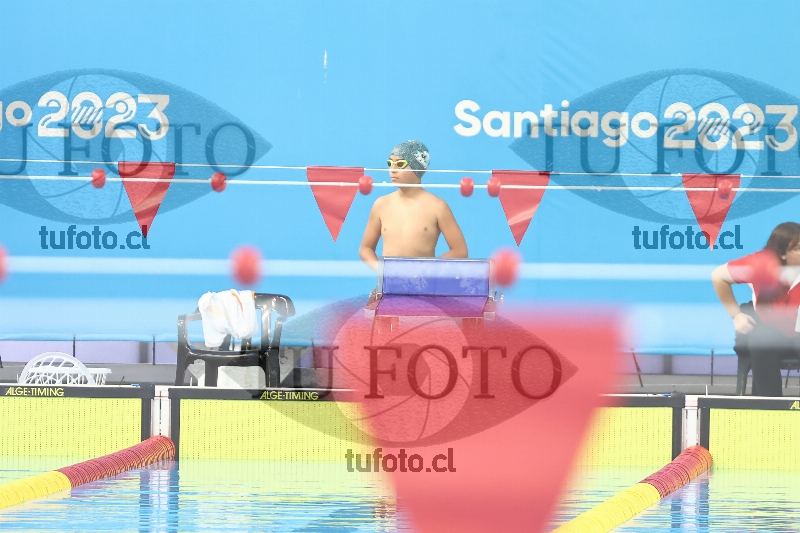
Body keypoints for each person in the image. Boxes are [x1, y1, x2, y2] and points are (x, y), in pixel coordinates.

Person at [711, 222, 800, 396]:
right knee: (761, 342)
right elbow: (719, 276)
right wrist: (736, 315)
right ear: (782, 253)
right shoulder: (758, 265)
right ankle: (768, 408)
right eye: (798, 248)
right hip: (770, 329)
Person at [359, 140, 468, 271]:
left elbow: (460, 251)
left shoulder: (437, 206)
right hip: (389, 282)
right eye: (390, 163)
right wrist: (382, 271)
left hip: (424, 282)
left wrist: (428, 269)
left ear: (417, 168)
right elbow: (366, 248)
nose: (393, 170)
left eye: (400, 164)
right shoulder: (381, 204)